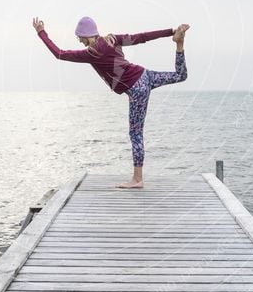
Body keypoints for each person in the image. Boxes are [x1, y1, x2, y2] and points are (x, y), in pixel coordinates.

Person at [32, 16, 189, 188]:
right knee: (180, 76)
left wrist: (41, 33)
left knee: (135, 133)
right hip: (146, 75)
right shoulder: (113, 39)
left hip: (137, 88)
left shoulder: (92, 53)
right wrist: (171, 31)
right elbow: (141, 37)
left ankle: (137, 180)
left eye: (81, 38)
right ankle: (179, 43)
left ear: (86, 35)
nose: (82, 42)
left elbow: (59, 53)